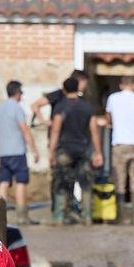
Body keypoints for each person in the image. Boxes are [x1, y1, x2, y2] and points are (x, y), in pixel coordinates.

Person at [49, 77, 102, 224]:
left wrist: (51, 151)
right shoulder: (88, 107)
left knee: (62, 182)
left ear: (64, 90)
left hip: (65, 150)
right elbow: (94, 131)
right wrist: (98, 152)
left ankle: (59, 216)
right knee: (86, 183)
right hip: (84, 149)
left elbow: (55, 130)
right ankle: (86, 216)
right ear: (78, 88)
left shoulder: (60, 106)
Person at [0, 80, 40, 225]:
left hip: (4, 152)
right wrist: (34, 149)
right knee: (21, 182)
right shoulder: (17, 108)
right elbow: (24, 129)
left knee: (4, 181)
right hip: (17, 151)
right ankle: (22, 216)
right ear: (18, 93)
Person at [106, 75, 134, 225]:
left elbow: (109, 119)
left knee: (120, 179)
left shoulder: (113, 98)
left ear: (121, 85)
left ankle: (121, 216)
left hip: (119, 142)